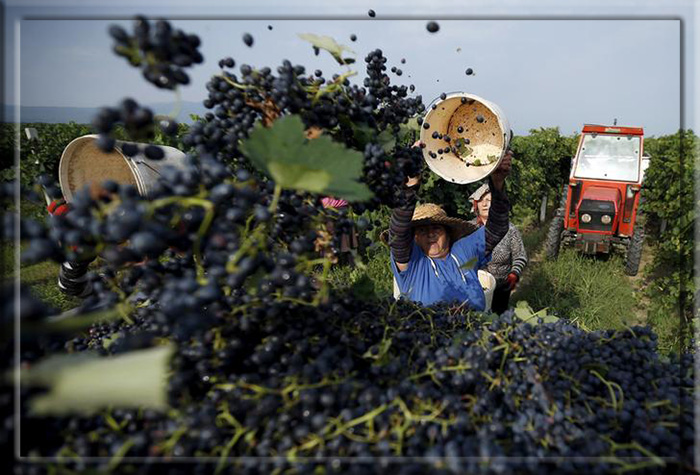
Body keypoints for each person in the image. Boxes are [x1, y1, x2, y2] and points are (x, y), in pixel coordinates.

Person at [388, 150, 513, 311]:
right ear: (414, 238)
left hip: (472, 333)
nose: (430, 233)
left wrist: (497, 183)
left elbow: (497, 227)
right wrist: (409, 189)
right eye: (422, 230)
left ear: (448, 233)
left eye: (436, 228)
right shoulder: (413, 264)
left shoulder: (463, 251)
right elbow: (398, 234)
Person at [468, 183, 528, 314]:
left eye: (489, 201)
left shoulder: (509, 229)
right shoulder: (467, 229)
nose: (485, 204)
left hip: (501, 285)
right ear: (476, 205)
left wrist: (514, 274)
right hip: (473, 285)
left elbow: (520, 256)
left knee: (497, 319)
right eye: (481, 201)